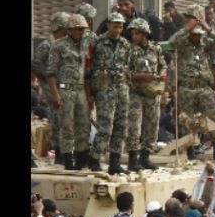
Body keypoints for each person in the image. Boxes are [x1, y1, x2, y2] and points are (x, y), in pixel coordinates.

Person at [168, 4, 215, 160]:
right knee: (187, 120)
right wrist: (187, 28)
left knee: (213, 117)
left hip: (203, 87)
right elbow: (171, 42)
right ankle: (190, 151)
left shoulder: (205, 40)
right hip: (187, 88)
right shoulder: (182, 40)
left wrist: (207, 28)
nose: (197, 37)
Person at [86, 12, 133, 174]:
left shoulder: (126, 44)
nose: (118, 29)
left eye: (120, 26)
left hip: (121, 89)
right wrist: (90, 93)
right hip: (105, 90)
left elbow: (128, 67)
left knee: (121, 126)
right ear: (108, 25)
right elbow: (90, 69)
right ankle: (95, 159)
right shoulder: (98, 43)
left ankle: (115, 161)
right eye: (115, 25)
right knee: (105, 126)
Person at [46, 14, 91, 170]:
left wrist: (89, 94)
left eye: (82, 29)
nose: (80, 32)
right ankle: (67, 159)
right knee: (67, 126)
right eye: (77, 29)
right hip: (65, 89)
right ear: (70, 30)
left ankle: (81, 157)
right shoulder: (58, 46)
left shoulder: (85, 45)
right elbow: (51, 72)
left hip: (80, 90)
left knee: (84, 125)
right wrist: (54, 94)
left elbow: (86, 71)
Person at [126, 18, 167, 171]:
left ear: (145, 34)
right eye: (132, 33)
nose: (133, 36)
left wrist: (162, 73)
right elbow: (125, 73)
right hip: (135, 92)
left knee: (152, 125)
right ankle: (132, 159)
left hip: (152, 92)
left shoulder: (155, 49)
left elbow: (163, 65)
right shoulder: (128, 50)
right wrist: (143, 76)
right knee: (134, 126)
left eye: (136, 33)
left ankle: (145, 157)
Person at [33, 11, 71, 164]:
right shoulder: (46, 45)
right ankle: (58, 152)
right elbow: (36, 67)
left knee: (64, 120)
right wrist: (50, 80)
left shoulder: (65, 44)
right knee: (56, 119)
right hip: (50, 89)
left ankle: (64, 150)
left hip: (63, 87)